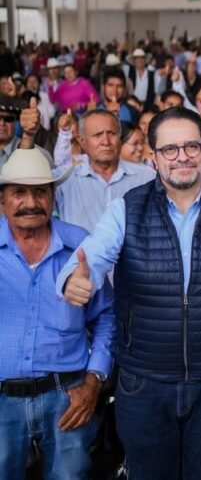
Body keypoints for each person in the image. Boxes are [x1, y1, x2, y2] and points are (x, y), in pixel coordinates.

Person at [58, 106, 201, 480]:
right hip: (144, 384)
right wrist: (72, 281)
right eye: (170, 150)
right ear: (153, 158)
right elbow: (89, 258)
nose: (182, 157)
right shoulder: (125, 210)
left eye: (191, 146)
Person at [0, 148, 114, 479]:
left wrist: (94, 381)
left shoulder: (79, 245)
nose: (30, 202)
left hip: (67, 398)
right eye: (18, 192)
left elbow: (106, 319)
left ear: (53, 197)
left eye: (40, 192)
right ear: (3, 201)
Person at [55, 109, 156, 232]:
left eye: (112, 134)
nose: (106, 142)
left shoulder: (146, 177)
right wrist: (29, 138)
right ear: (82, 141)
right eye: (97, 135)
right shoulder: (64, 180)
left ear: (119, 138)